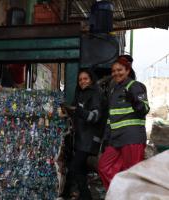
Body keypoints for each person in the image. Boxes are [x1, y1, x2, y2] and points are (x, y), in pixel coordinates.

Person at [98, 55, 150, 190]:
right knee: (103, 166)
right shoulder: (114, 90)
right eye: (113, 71)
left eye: (119, 70)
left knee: (132, 173)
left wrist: (133, 99)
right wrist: (106, 139)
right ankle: (120, 192)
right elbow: (111, 117)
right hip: (116, 139)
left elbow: (144, 108)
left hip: (132, 138)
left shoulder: (136, 86)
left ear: (127, 70)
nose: (116, 73)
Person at [59, 69, 103, 200]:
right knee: (80, 170)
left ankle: (85, 196)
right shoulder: (80, 94)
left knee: (74, 168)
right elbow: (75, 114)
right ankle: (83, 196)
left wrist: (78, 111)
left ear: (91, 79)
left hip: (89, 139)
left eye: (85, 79)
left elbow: (94, 117)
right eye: (80, 80)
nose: (82, 81)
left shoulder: (95, 94)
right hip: (80, 139)